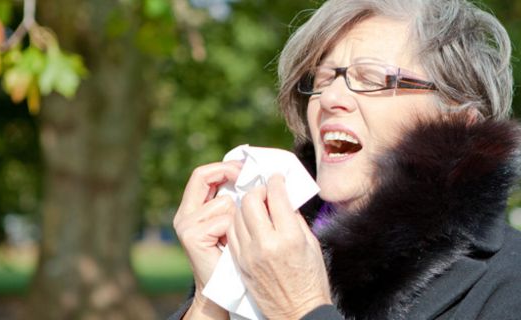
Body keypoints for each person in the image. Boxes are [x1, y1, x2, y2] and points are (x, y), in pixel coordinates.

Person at [170, 0, 521, 319]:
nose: (331, 97)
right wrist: (212, 297)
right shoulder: (264, 246)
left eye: (373, 79)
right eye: (323, 78)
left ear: (457, 120)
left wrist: (301, 308)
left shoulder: (509, 283)